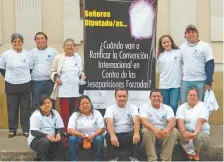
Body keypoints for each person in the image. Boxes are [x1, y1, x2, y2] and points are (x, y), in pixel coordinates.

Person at [0, 33, 32, 138]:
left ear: (22, 43)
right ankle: (12, 130)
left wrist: (22, 77)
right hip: (11, 84)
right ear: (12, 43)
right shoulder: (5, 55)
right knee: (12, 108)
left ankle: (26, 129)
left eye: (19, 41)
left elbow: (30, 69)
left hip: (25, 83)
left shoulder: (28, 54)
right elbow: (2, 69)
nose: (17, 43)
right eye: (14, 41)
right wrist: (10, 78)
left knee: (25, 108)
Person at [50, 38, 86, 131]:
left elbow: (80, 71)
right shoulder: (58, 58)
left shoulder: (78, 57)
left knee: (75, 113)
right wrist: (56, 78)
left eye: (71, 45)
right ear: (63, 47)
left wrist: (82, 75)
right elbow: (52, 71)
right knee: (65, 114)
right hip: (63, 90)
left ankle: (74, 130)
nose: (69, 47)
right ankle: (65, 132)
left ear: (74, 47)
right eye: (67, 45)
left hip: (76, 90)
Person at [140, 88, 178, 161]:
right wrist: (155, 129)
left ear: (162, 98)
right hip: (151, 132)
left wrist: (166, 130)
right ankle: (152, 159)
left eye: (158, 96)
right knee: (145, 131)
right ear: (150, 98)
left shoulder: (168, 108)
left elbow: (172, 121)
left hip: (164, 133)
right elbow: (144, 121)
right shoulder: (144, 107)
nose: (156, 98)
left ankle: (165, 159)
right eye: (154, 96)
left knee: (174, 131)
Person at [104, 88, 141, 162]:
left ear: (127, 97)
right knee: (108, 135)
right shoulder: (110, 108)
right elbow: (109, 123)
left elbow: (136, 120)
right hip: (116, 136)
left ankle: (135, 158)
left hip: (130, 136)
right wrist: (113, 135)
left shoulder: (133, 107)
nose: (122, 98)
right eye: (120, 96)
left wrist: (136, 133)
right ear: (115, 97)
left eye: (124, 96)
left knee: (139, 132)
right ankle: (113, 158)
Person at [180, 24, 214, 103]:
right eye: (188, 32)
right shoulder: (182, 47)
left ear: (197, 34)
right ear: (185, 35)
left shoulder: (205, 46)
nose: (191, 34)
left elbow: (210, 63)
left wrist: (208, 81)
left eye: (193, 32)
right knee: (184, 104)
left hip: (201, 81)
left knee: (201, 105)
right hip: (185, 81)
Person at [176, 88, 211, 161]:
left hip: (202, 133)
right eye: (190, 95)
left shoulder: (203, 106)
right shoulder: (181, 107)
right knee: (179, 135)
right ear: (187, 97)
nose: (192, 97)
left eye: (194, 95)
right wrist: (184, 132)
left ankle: (195, 155)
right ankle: (190, 154)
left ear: (198, 97)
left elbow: (201, 121)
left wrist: (195, 133)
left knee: (197, 137)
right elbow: (180, 122)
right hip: (187, 133)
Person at [28, 95, 66, 161]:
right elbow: (34, 132)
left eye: (48, 103)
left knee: (61, 141)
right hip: (36, 140)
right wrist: (47, 136)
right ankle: (39, 160)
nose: (47, 105)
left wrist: (59, 134)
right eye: (44, 103)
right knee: (45, 142)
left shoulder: (55, 113)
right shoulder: (36, 115)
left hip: (53, 138)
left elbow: (61, 127)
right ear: (40, 106)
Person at [68, 95, 105, 161]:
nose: (85, 105)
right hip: (80, 138)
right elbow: (70, 130)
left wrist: (93, 135)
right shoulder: (75, 115)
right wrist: (80, 134)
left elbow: (102, 128)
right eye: (82, 104)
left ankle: (97, 159)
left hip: (94, 137)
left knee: (100, 138)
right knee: (72, 138)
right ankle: (73, 160)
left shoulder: (97, 113)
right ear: (79, 107)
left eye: (87, 103)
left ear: (90, 104)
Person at [30, 32, 59, 111]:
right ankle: (37, 122)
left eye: (42, 38)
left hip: (50, 82)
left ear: (46, 40)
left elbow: (58, 67)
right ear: (35, 41)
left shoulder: (54, 52)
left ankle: (50, 122)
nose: (40, 40)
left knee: (50, 104)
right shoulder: (31, 53)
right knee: (36, 104)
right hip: (36, 82)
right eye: (38, 39)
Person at [157, 34, 182, 114]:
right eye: (164, 43)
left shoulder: (179, 52)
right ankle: (168, 123)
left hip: (176, 84)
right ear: (161, 45)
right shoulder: (160, 55)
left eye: (168, 42)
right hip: (164, 84)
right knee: (165, 106)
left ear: (171, 42)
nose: (166, 44)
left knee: (174, 105)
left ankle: (174, 123)